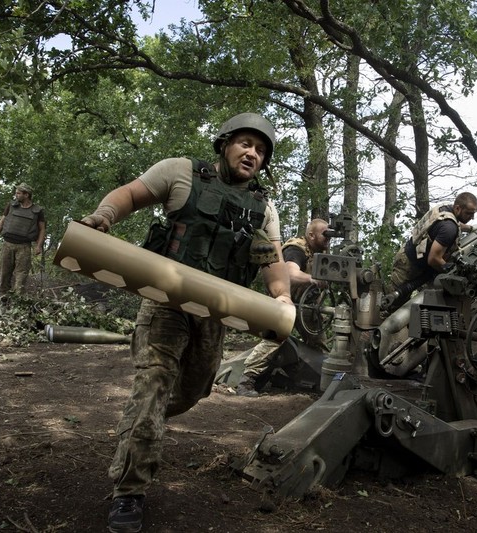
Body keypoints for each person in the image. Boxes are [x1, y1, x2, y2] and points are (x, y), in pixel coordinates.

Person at [79, 113, 292, 533]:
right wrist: (104, 216)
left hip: (215, 314)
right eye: (246, 143)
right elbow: (130, 194)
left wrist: (281, 297)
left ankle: (144, 419)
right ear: (225, 143)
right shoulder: (180, 172)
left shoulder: (263, 208)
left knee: (193, 391)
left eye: (261, 150)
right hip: (166, 303)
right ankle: (129, 492)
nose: (253, 154)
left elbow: (273, 262)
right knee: (155, 382)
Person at [237, 218, 332, 395]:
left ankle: (321, 383)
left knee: (320, 347)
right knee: (274, 339)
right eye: (324, 234)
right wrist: (312, 279)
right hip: (286, 304)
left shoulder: (319, 253)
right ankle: (247, 380)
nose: (328, 239)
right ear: (311, 235)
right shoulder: (297, 248)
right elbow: (290, 272)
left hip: (307, 308)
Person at [383, 192, 477, 312]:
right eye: (469, 214)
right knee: (390, 304)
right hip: (409, 266)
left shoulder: (445, 209)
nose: (472, 217)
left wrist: (470, 228)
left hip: (410, 257)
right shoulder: (449, 229)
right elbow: (433, 259)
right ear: (458, 208)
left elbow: (457, 223)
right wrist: (451, 272)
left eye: (473, 214)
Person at [0, 183, 46, 296]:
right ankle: (4, 299)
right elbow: (2, 221)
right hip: (7, 244)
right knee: (4, 273)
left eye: (18, 193)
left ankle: (18, 301)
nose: (16, 195)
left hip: (24, 247)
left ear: (26, 195)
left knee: (21, 275)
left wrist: (38, 245)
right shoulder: (11, 206)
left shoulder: (37, 211)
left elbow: (42, 229)